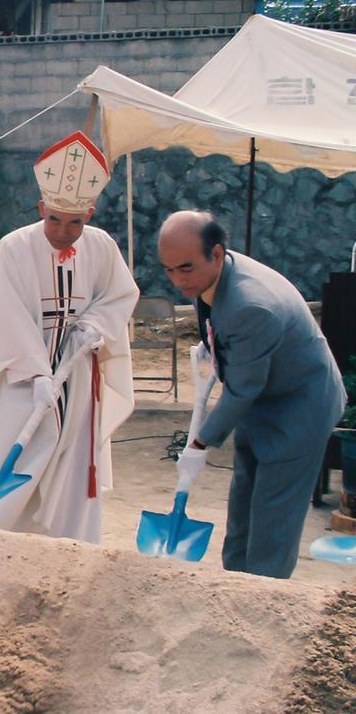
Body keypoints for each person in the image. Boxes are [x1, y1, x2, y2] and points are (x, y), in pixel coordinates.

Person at [0, 132, 138, 543]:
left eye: (75, 222)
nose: (63, 231)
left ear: (89, 213)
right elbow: (7, 313)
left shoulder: (102, 246)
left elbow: (122, 294)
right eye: (54, 220)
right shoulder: (14, 247)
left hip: (78, 376)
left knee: (74, 459)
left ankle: (70, 540)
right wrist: (37, 374)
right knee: (9, 447)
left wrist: (95, 325)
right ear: (41, 208)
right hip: (25, 378)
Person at [159, 211, 345, 579]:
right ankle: (233, 587)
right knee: (243, 505)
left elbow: (243, 390)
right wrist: (215, 347)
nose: (178, 280)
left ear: (216, 252)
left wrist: (199, 443)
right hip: (261, 398)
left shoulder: (250, 306)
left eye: (186, 268)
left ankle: (264, 601)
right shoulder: (214, 275)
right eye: (168, 270)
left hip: (298, 407)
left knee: (272, 517)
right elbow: (243, 377)